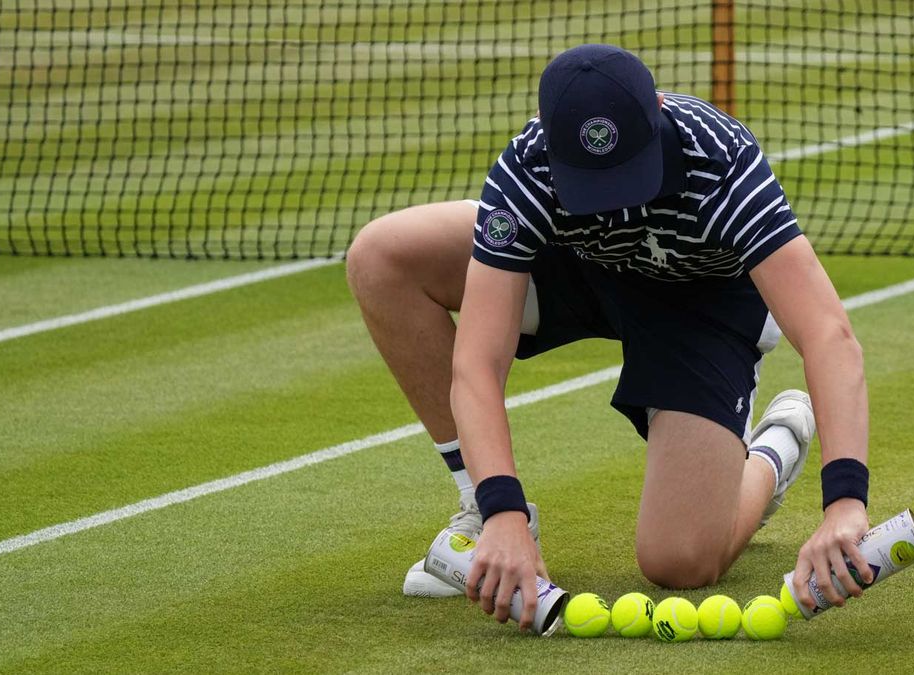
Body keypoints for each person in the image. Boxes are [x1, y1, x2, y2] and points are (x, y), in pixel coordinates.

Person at [346, 44, 874, 631]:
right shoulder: (529, 164)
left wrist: (844, 502)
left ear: (658, 109)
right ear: (547, 134)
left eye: (629, 172)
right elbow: (478, 362)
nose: (619, 201)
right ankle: (477, 509)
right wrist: (502, 510)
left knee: (680, 562)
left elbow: (828, 334)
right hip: (578, 268)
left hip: (698, 301)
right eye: (594, 182)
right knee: (383, 256)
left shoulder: (719, 159)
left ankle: (773, 452)